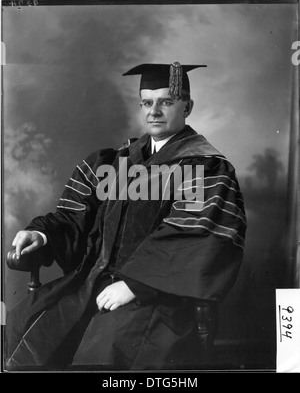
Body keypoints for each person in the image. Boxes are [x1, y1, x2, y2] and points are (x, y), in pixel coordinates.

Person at [5, 62, 247, 370]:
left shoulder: (205, 167)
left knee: (102, 355)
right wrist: (42, 234)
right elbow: (76, 217)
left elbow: (196, 237)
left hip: (157, 297)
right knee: (21, 327)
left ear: (187, 106)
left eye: (166, 102)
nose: (154, 111)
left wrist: (133, 286)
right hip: (92, 284)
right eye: (147, 102)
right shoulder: (116, 162)